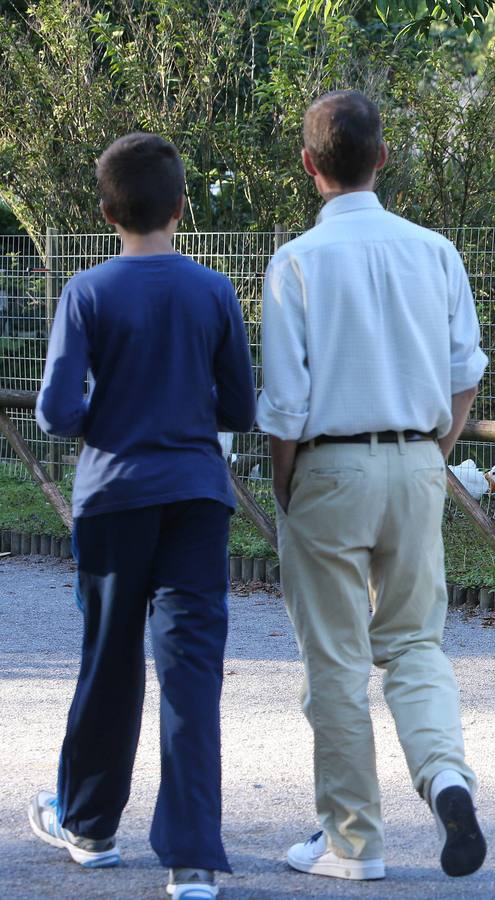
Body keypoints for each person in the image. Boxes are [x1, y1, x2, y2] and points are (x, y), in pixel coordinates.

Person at [257, 90, 488, 882]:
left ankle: (353, 843)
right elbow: (465, 372)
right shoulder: (436, 251)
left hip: (327, 464)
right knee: (415, 643)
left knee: (335, 662)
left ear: (308, 166)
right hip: (419, 461)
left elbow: (285, 402)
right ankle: (445, 778)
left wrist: (288, 484)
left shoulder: (295, 263)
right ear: (382, 158)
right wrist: (436, 447)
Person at [31, 132, 256, 900]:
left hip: (113, 499)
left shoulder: (88, 292)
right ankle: (193, 859)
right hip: (196, 496)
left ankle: (91, 828)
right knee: (191, 672)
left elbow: (57, 412)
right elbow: (239, 406)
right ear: (180, 208)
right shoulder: (214, 290)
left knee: (110, 659)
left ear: (105, 213)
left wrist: (111, 408)